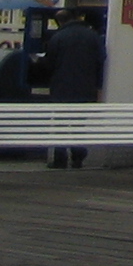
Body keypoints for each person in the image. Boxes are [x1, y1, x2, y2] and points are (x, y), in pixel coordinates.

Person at [43, 9, 104, 168]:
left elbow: (49, 63)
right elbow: (101, 59)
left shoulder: (58, 37)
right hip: (86, 87)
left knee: (61, 124)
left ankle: (60, 158)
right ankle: (78, 157)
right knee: (78, 124)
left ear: (59, 22)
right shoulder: (93, 36)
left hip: (62, 87)